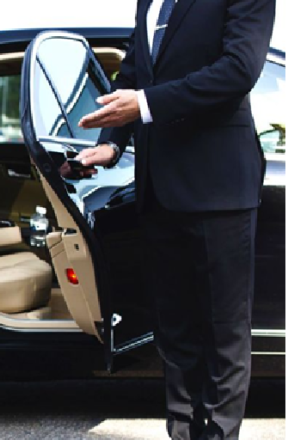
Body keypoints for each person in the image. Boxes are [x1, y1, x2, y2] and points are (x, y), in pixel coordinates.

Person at [75, 0, 276, 438]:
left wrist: (144, 105)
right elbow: (134, 74)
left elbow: (239, 70)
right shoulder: (150, 2)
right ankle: (182, 432)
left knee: (223, 333)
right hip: (158, 187)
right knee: (176, 333)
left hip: (218, 187)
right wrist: (111, 142)